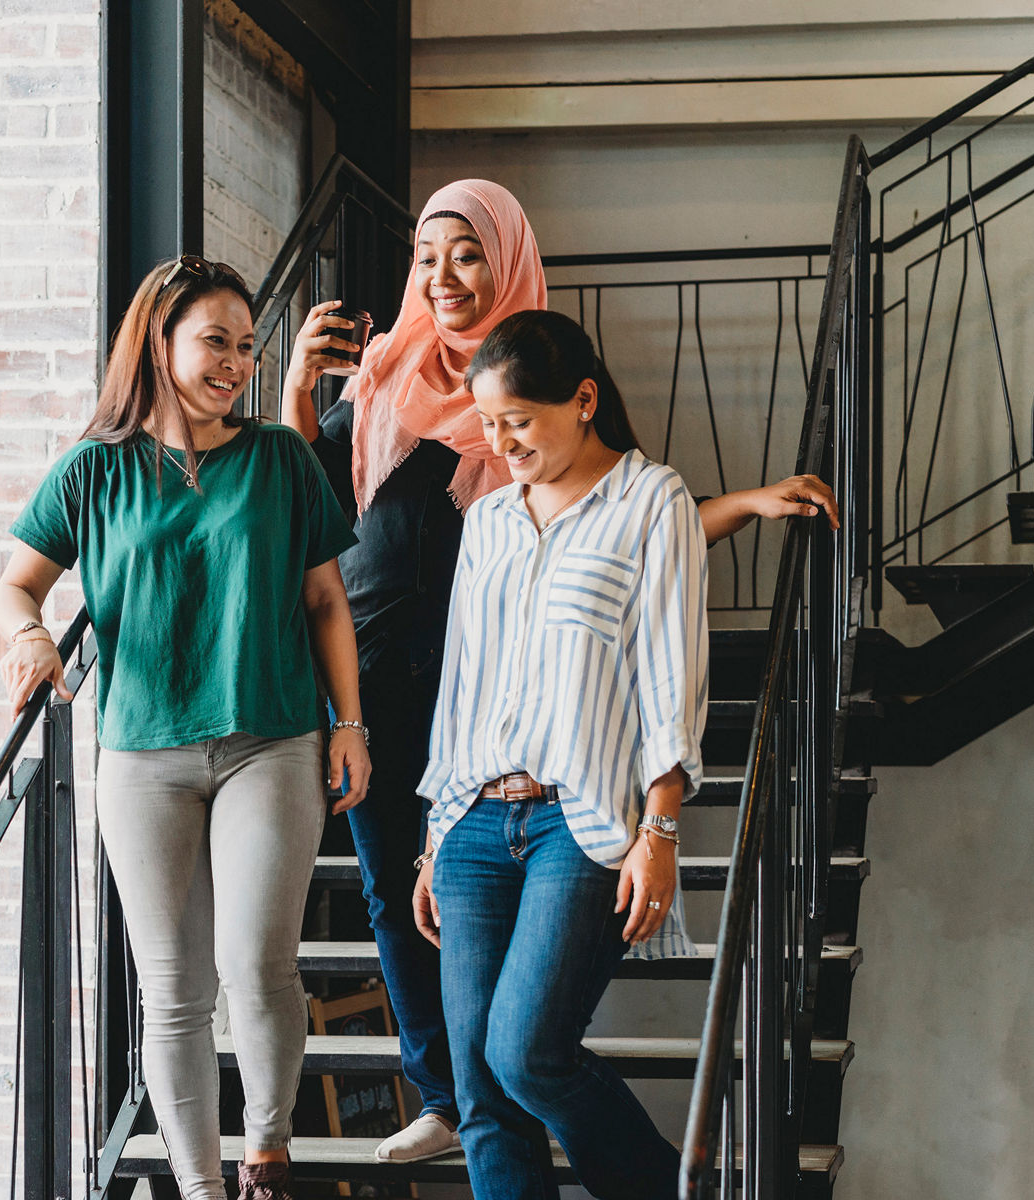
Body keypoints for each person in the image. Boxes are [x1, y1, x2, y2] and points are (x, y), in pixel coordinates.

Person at [278, 179, 839, 1164]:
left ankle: (493, 1092)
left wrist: (740, 504)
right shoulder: (381, 373)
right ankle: (445, 1093)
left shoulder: (524, 381)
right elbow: (310, 511)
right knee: (388, 897)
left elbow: (617, 524)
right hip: (372, 680)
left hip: (494, 698)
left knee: (516, 1030)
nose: (443, 275)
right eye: (426, 255)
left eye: (466, 252)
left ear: (504, 258)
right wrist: (294, 393)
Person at [0, 255, 370, 1200]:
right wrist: (32, 639)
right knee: (173, 991)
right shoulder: (93, 470)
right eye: (216, 342)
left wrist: (349, 722)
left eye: (248, 347)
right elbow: (14, 583)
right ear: (158, 343)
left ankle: (268, 1153)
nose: (237, 363)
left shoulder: (282, 458)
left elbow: (327, 598)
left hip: (271, 736)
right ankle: (202, 1189)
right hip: (142, 751)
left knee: (255, 960)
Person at [414, 308, 706, 1199]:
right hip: (471, 819)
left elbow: (669, 673)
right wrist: (434, 835)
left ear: (582, 401)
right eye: (489, 426)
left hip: (579, 821)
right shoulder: (490, 519)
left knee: (527, 1051)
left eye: (518, 422)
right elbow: (462, 678)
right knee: (479, 1088)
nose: (501, 445)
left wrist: (660, 830)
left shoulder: (654, 501)